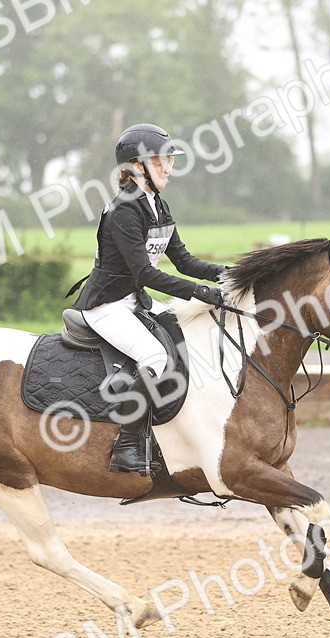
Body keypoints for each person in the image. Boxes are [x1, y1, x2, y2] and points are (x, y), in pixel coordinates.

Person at [69, 123, 228, 474]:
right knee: (155, 357)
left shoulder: (158, 205)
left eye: (169, 161)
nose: (169, 168)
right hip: (107, 306)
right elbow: (146, 274)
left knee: (187, 337)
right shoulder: (124, 210)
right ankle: (126, 445)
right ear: (138, 166)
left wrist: (227, 274)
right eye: (161, 161)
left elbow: (184, 261)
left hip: (134, 301)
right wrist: (201, 292)